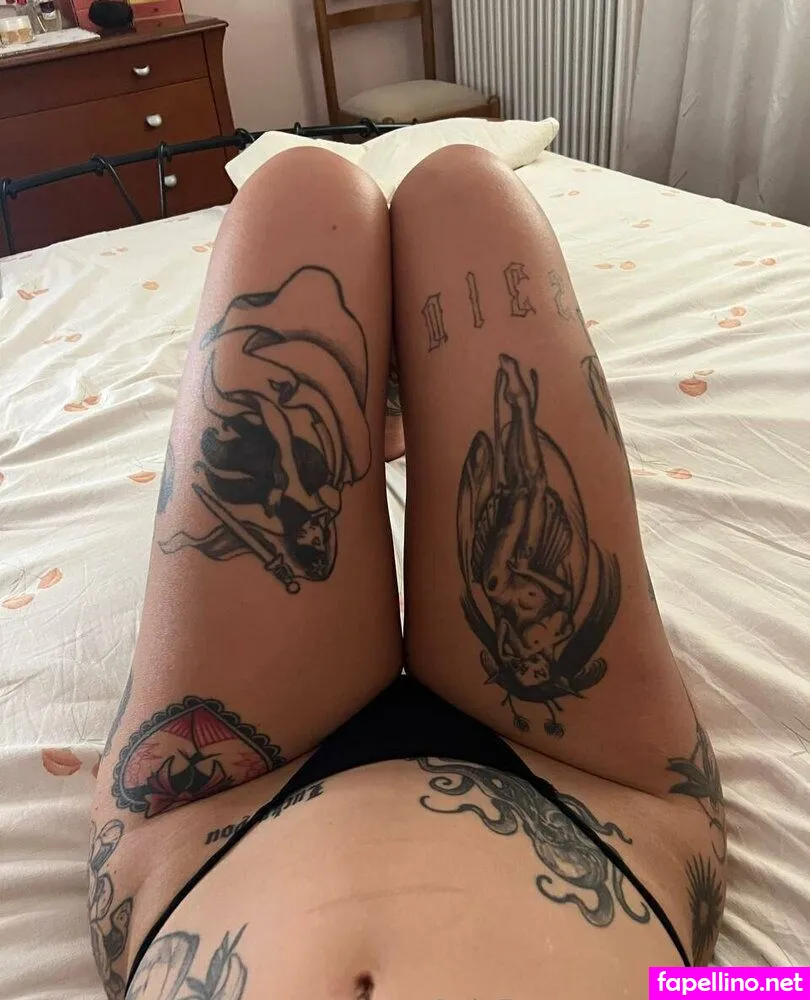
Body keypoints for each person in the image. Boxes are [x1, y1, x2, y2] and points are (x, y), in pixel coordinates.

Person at [90, 146, 727, 1000]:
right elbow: (758, 990)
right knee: (464, 194)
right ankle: (410, 402)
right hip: (609, 810)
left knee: (302, 195)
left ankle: (392, 406)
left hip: (204, 823)